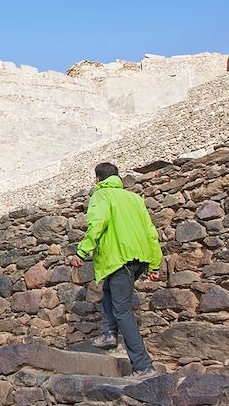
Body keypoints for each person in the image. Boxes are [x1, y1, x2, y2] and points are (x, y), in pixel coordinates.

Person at [70, 162, 163, 380]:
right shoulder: (135, 198)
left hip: (119, 257)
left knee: (122, 310)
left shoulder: (101, 196)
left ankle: (143, 366)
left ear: (96, 179)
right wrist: (154, 264)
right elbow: (151, 232)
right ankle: (109, 334)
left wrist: (81, 252)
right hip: (139, 258)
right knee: (109, 292)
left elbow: (97, 224)